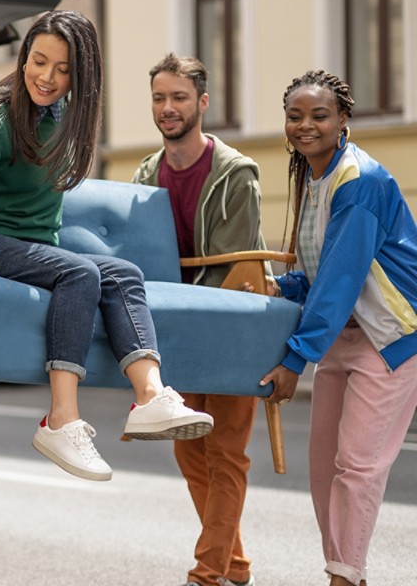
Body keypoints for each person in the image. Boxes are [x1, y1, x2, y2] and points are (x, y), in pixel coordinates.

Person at [0, 10, 213, 482]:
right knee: (79, 272)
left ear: (80, 76)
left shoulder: (69, 118)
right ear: (25, 56)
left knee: (124, 272)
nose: (46, 77)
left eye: (63, 69)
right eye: (38, 60)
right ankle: (60, 420)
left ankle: (150, 396)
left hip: (32, 250)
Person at [260, 70, 417, 586]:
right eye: (295, 115)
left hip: (390, 336)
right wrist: (282, 287)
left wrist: (293, 360)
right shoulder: (311, 176)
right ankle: (346, 571)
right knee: (325, 468)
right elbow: (319, 269)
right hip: (345, 334)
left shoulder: (361, 181)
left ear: (343, 120)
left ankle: (344, 577)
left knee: (357, 465)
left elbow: (342, 278)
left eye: (320, 115)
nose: (306, 125)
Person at [134, 53, 266, 586]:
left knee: (227, 454)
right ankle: (234, 564)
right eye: (160, 98)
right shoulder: (147, 172)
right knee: (191, 454)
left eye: (179, 98)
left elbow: (236, 270)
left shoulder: (236, 173)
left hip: (232, 327)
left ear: (202, 103)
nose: (168, 108)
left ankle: (207, 574)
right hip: (175, 328)